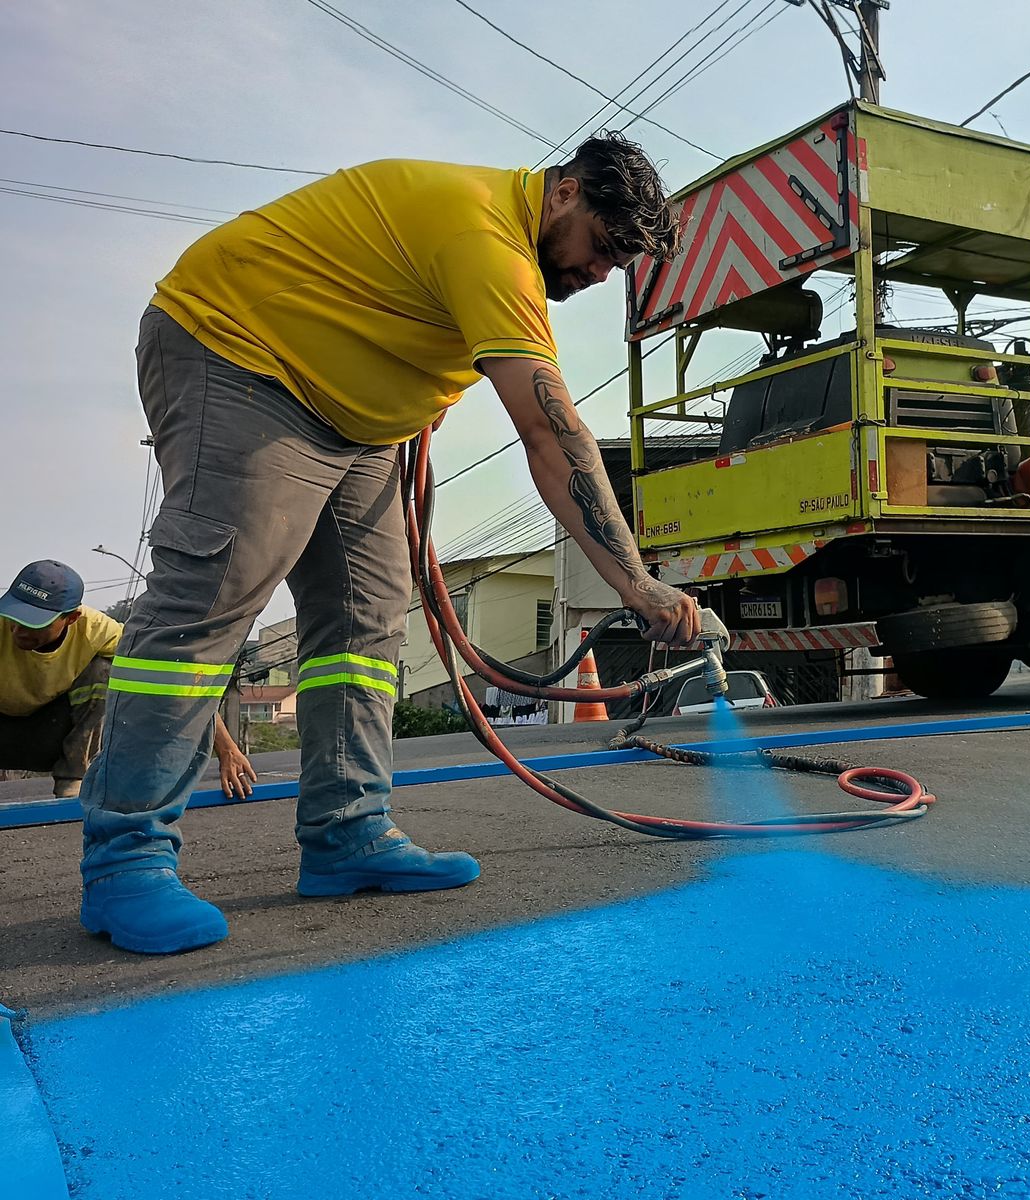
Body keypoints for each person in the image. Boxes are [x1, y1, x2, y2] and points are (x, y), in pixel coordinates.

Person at [79, 134, 697, 955]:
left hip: (354, 421)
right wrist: (641, 589)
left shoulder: (501, 249)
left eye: (619, 266)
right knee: (212, 593)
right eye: (602, 250)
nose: (598, 274)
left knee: (367, 620)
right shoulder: (485, 239)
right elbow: (553, 437)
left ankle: (347, 835)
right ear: (565, 195)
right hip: (238, 351)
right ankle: (126, 860)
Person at [0, 561, 255, 799]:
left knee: (107, 670)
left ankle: (75, 780)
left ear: (71, 618)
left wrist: (227, 749)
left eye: (34, 624)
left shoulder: (98, 631)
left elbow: (174, 679)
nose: (18, 630)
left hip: (53, 735)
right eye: (15, 618)